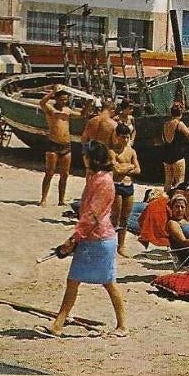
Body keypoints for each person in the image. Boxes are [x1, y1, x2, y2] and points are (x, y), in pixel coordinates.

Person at [46, 142, 128, 338]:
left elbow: (93, 215)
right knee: (73, 280)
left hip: (100, 239)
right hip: (91, 237)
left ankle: (123, 325)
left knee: (108, 283)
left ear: (91, 158)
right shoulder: (95, 178)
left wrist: (73, 239)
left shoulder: (103, 181)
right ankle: (58, 323)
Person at [39, 86, 83, 206]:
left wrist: (89, 102)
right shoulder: (51, 109)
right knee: (49, 173)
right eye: (62, 99)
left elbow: (81, 115)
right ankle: (43, 199)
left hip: (66, 145)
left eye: (66, 99)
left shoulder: (67, 110)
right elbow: (42, 102)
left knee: (65, 174)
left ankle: (61, 200)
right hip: (53, 144)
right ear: (56, 98)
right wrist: (53, 92)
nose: (64, 101)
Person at [109, 123, 142, 257]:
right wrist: (129, 166)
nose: (126, 140)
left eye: (127, 137)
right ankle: (111, 244)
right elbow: (116, 170)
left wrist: (125, 167)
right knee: (115, 217)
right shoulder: (112, 151)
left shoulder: (131, 151)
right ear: (117, 137)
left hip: (129, 186)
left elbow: (138, 170)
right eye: (123, 137)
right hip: (117, 185)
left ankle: (121, 245)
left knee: (125, 218)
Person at [160, 105, 189, 192]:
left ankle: (166, 197)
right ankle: (177, 197)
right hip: (177, 153)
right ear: (181, 113)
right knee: (179, 181)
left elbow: (163, 139)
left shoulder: (166, 124)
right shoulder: (179, 124)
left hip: (167, 153)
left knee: (168, 181)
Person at [81, 98, 117, 178]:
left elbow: (83, 139)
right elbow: (114, 142)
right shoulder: (113, 124)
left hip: (91, 151)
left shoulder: (91, 121)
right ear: (112, 110)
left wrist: (86, 153)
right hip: (104, 153)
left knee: (90, 177)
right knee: (103, 178)